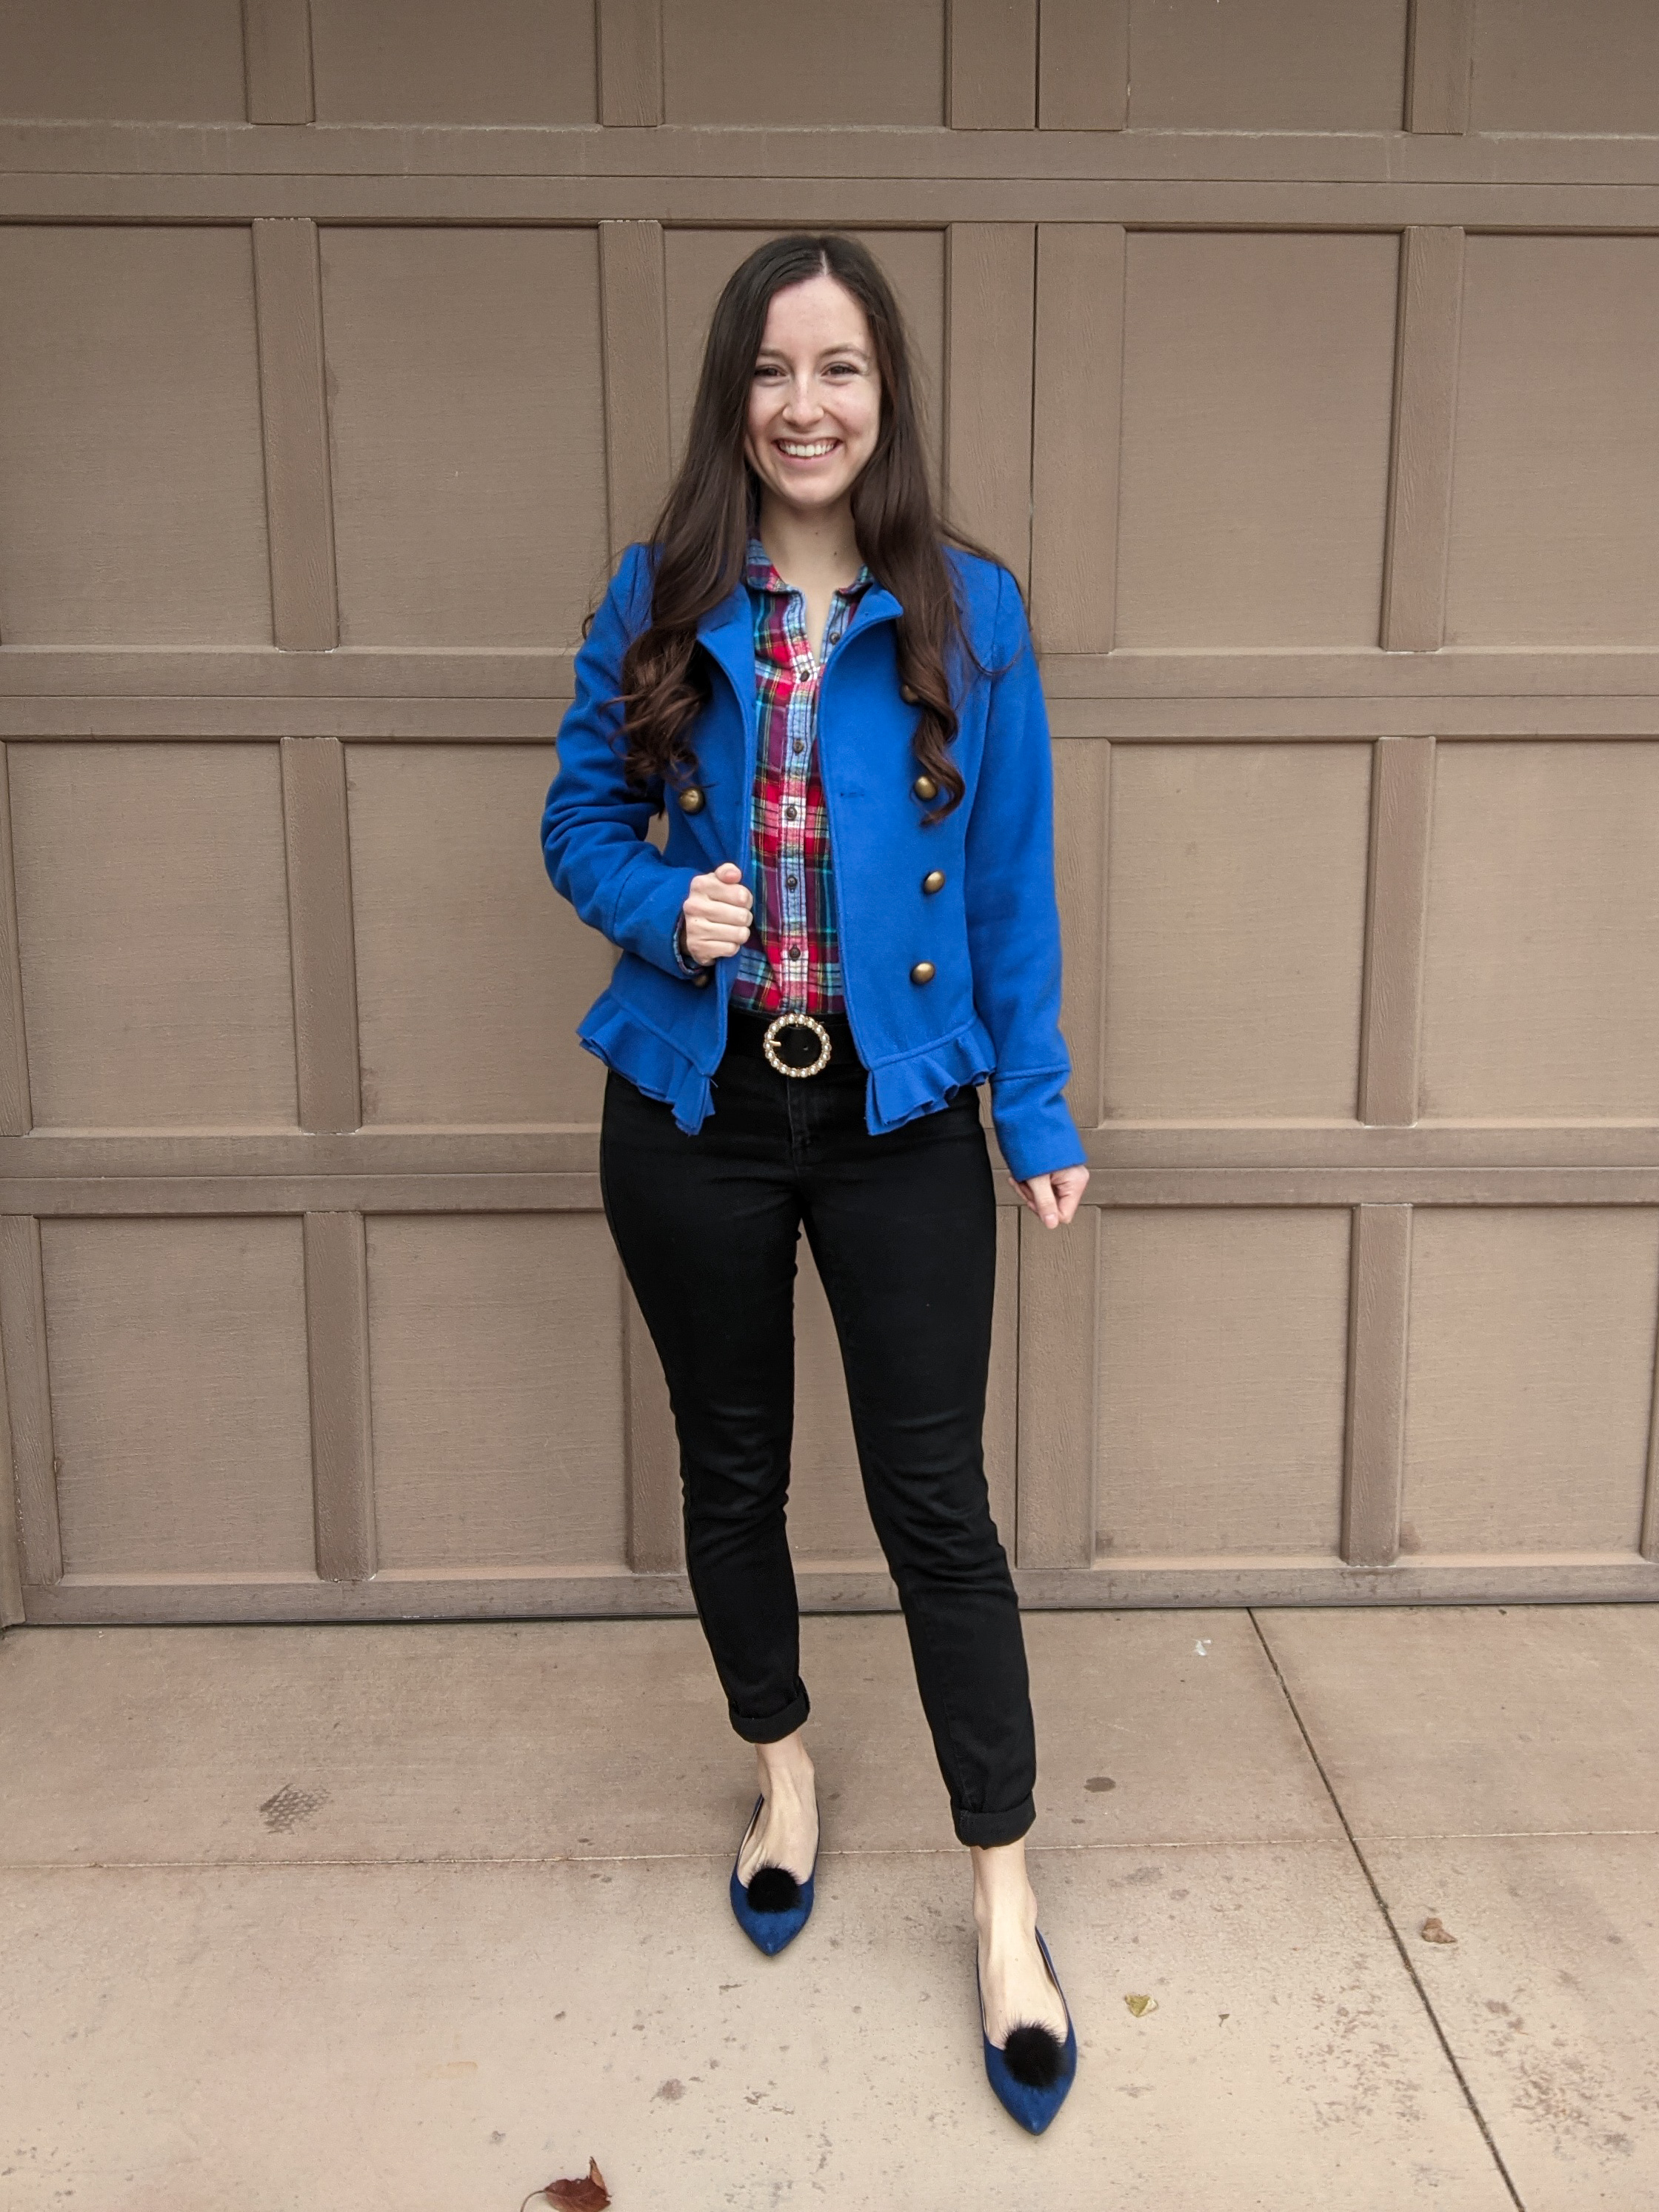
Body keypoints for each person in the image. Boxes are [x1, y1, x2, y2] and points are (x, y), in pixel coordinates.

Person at [541, 232, 1089, 2134]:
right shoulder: (660, 592)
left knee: (939, 1504)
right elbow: (575, 820)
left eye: (841, 369)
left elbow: (1008, 888)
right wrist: (658, 907)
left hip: (902, 1119)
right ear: (733, 392)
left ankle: (1004, 1901)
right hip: (693, 1112)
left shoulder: (970, 610)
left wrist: (1039, 1111)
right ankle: (779, 1769)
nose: (805, 405)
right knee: (733, 1470)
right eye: (774, 371)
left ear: (884, 392)